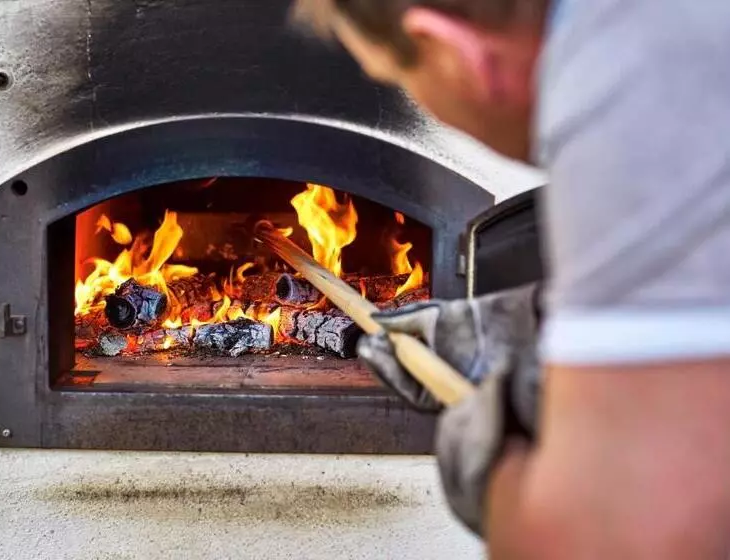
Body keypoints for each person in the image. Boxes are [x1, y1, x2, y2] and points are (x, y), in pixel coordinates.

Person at [293, 0, 730, 557]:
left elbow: (595, 544)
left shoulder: (625, 86)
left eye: (399, 76)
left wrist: (487, 454)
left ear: (451, 51)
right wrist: (522, 330)